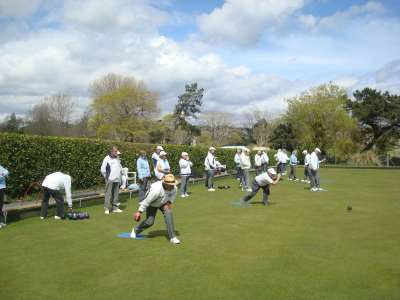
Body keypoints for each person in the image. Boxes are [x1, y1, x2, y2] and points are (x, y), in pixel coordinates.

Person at [131, 174, 180, 244]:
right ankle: (135, 230)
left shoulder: (174, 188)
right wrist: (139, 212)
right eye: (171, 184)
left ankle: (173, 237)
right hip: (152, 203)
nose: (173, 186)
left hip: (163, 202)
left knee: (169, 212)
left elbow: (172, 196)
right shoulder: (156, 190)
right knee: (150, 222)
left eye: (173, 184)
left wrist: (168, 203)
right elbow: (147, 201)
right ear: (165, 184)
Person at [100, 146, 123, 214]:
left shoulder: (118, 158)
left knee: (116, 194)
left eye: (117, 151)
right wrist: (107, 177)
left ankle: (115, 208)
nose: (117, 153)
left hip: (117, 179)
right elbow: (102, 169)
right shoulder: (107, 158)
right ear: (112, 151)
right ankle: (106, 208)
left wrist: (120, 176)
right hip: (110, 179)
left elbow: (119, 167)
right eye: (115, 151)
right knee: (108, 194)